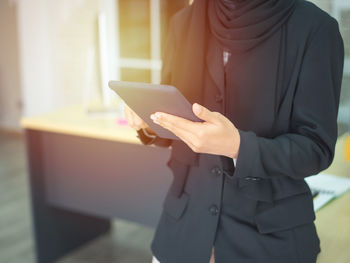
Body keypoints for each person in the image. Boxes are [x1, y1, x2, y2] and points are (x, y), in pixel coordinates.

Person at [125, 0, 344, 262]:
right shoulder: (183, 22)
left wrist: (239, 146)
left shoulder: (316, 29)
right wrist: (151, 121)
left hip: (270, 242)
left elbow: (316, 149)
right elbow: (177, 120)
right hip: (182, 232)